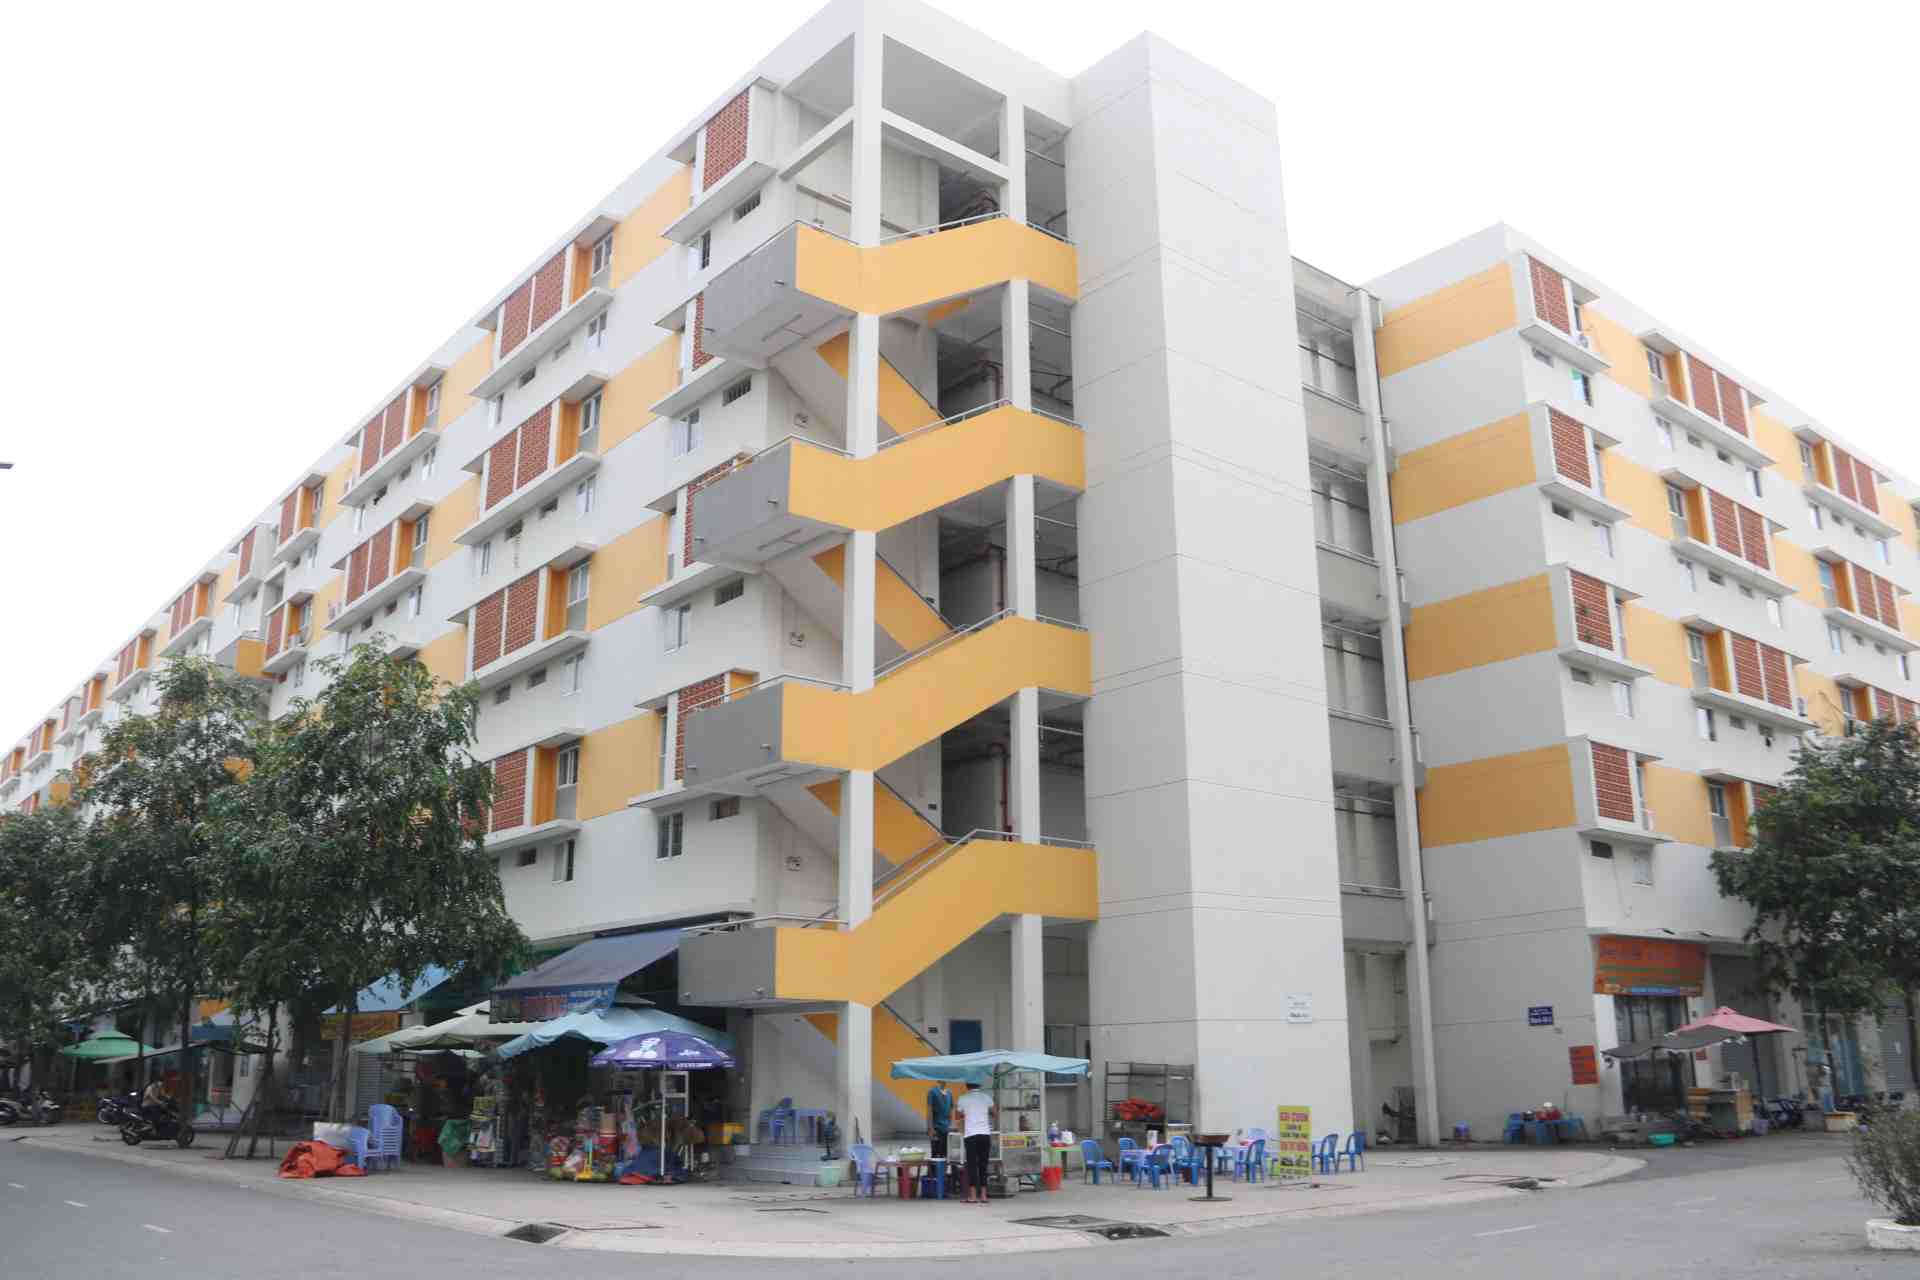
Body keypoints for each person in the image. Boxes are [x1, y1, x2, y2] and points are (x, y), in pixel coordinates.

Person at [953, 1084, 996, 1205]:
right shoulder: (986, 1097)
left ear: (967, 1086)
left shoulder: (963, 1098)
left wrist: (967, 1113)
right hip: (985, 1135)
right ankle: (983, 1195)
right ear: (980, 1085)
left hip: (970, 1134)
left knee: (972, 1164)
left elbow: (956, 1116)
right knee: (983, 1164)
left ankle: (972, 1196)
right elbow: (995, 1113)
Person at [926, 1081, 953, 1169]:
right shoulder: (932, 1092)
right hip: (936, 1128)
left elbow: (950, 1111)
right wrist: (930, 1128)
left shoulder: (949, 1093)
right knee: (935, 1155)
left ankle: (943, 1176)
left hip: (947, 1129)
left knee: (945, 1154)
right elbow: (929, 1111)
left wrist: (950, 1125)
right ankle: (934, 1177)